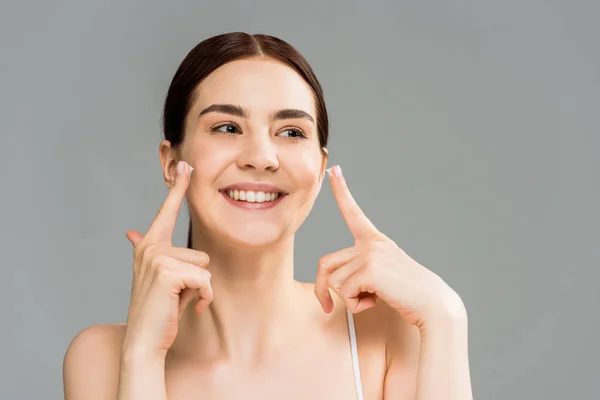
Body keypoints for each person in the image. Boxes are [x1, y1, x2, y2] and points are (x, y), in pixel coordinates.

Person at [63, 32, 473, 399]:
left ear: (319, 166)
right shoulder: (102, 356)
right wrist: (143, 355)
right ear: (172, 163)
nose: (261, 157)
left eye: (292, 132)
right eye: (226, 127)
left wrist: (446, 318)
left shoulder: (386, 336)